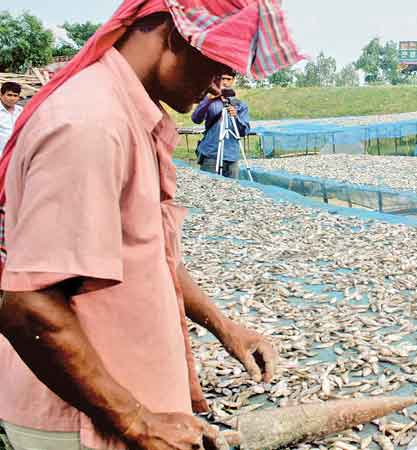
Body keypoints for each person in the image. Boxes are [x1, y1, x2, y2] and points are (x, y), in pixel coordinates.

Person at [0, 1, 302, 450]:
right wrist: (137, 419)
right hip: (83, 426)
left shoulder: (126, 115)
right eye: (217, 66)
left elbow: (147, 254)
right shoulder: (92, 125)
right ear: (174, 36)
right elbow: (27, 304)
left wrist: (225, 328)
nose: (219, 86)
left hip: (118, 410)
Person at [192, 70, 250, 179]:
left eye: (228, 79)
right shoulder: (210, 101)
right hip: (211, 154)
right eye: (222, 79)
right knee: (211, 189)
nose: (225, 82)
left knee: (233, 190)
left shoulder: (240, 105)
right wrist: (207, 100)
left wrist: (235, 116)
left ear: (233, 81)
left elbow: (244, 131)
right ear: (218, 80)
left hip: (232, 156)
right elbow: (196, 119)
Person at [0, 82, 23, 156]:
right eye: (9, 95)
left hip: (17, 154)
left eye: (15, 95)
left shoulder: (21, 111)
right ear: (1, 95)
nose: (12, 98)